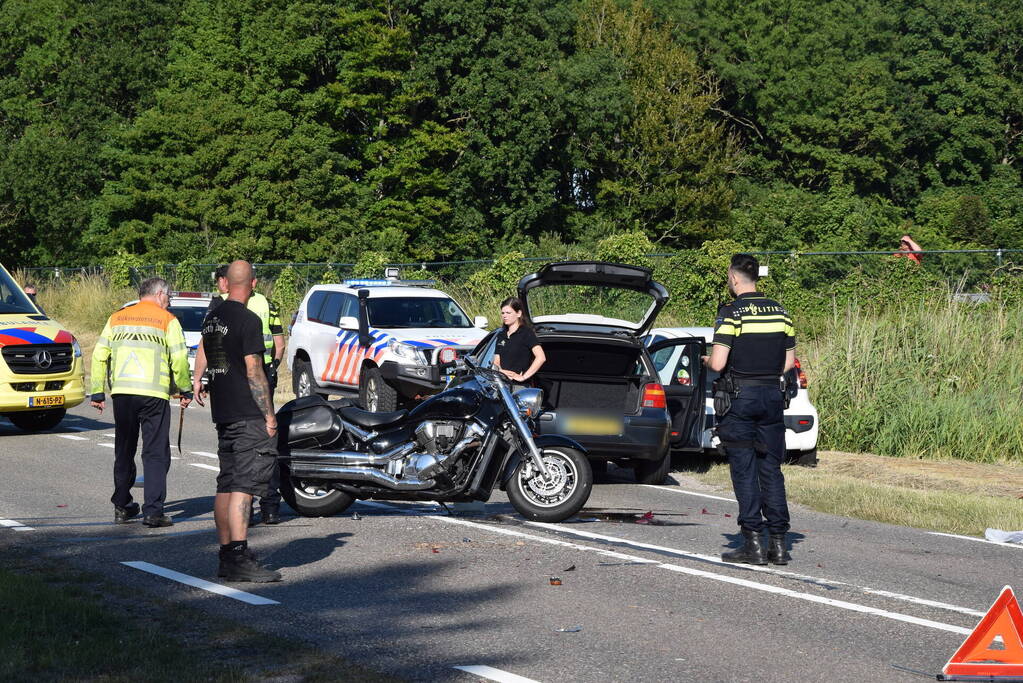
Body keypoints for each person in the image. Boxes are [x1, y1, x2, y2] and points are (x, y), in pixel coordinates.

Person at [702, 254, 796, 566]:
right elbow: (787, 363)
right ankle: (779, 544)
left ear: (733, 277)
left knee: (744, 469)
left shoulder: (731, 313)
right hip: (772, 397)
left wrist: (706, 360)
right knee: (771, 468)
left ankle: (753, 543)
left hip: (740, 399)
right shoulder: (781, 312)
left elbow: (718, 363)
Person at [193, 260, 281, 583]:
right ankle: (240, 557)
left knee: (226, 485)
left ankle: (226, 555)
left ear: (226, 283)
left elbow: (207, 356)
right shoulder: (248, 320)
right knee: (244, 487)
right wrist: (269, 415)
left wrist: (197, 379)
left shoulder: (212, 319)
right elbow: (254, 370)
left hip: (223, 413)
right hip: (247, 414)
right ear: (253, 284)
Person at [90, 277, 192, 528]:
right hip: (154, 395)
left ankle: (122, 506)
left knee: (124, 449)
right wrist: (185, 389)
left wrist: (97, 392)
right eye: (169, 297)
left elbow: (99, 355)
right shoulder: (167, 320)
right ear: (159, 294)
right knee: (155, 452)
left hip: (123, 394)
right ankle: (153, 512)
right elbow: (179, 359)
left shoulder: (117, 318)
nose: (169, 302)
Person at [492, 297, 545, 388]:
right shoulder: (501, 335)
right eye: (503, 313)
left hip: (519, 387)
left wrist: (523, 377)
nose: (504, 316)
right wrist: (501, 371)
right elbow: (496, 360)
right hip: (501, 384)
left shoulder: (526, 333)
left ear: (518, 313)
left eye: (508, 313)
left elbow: (541, 357)